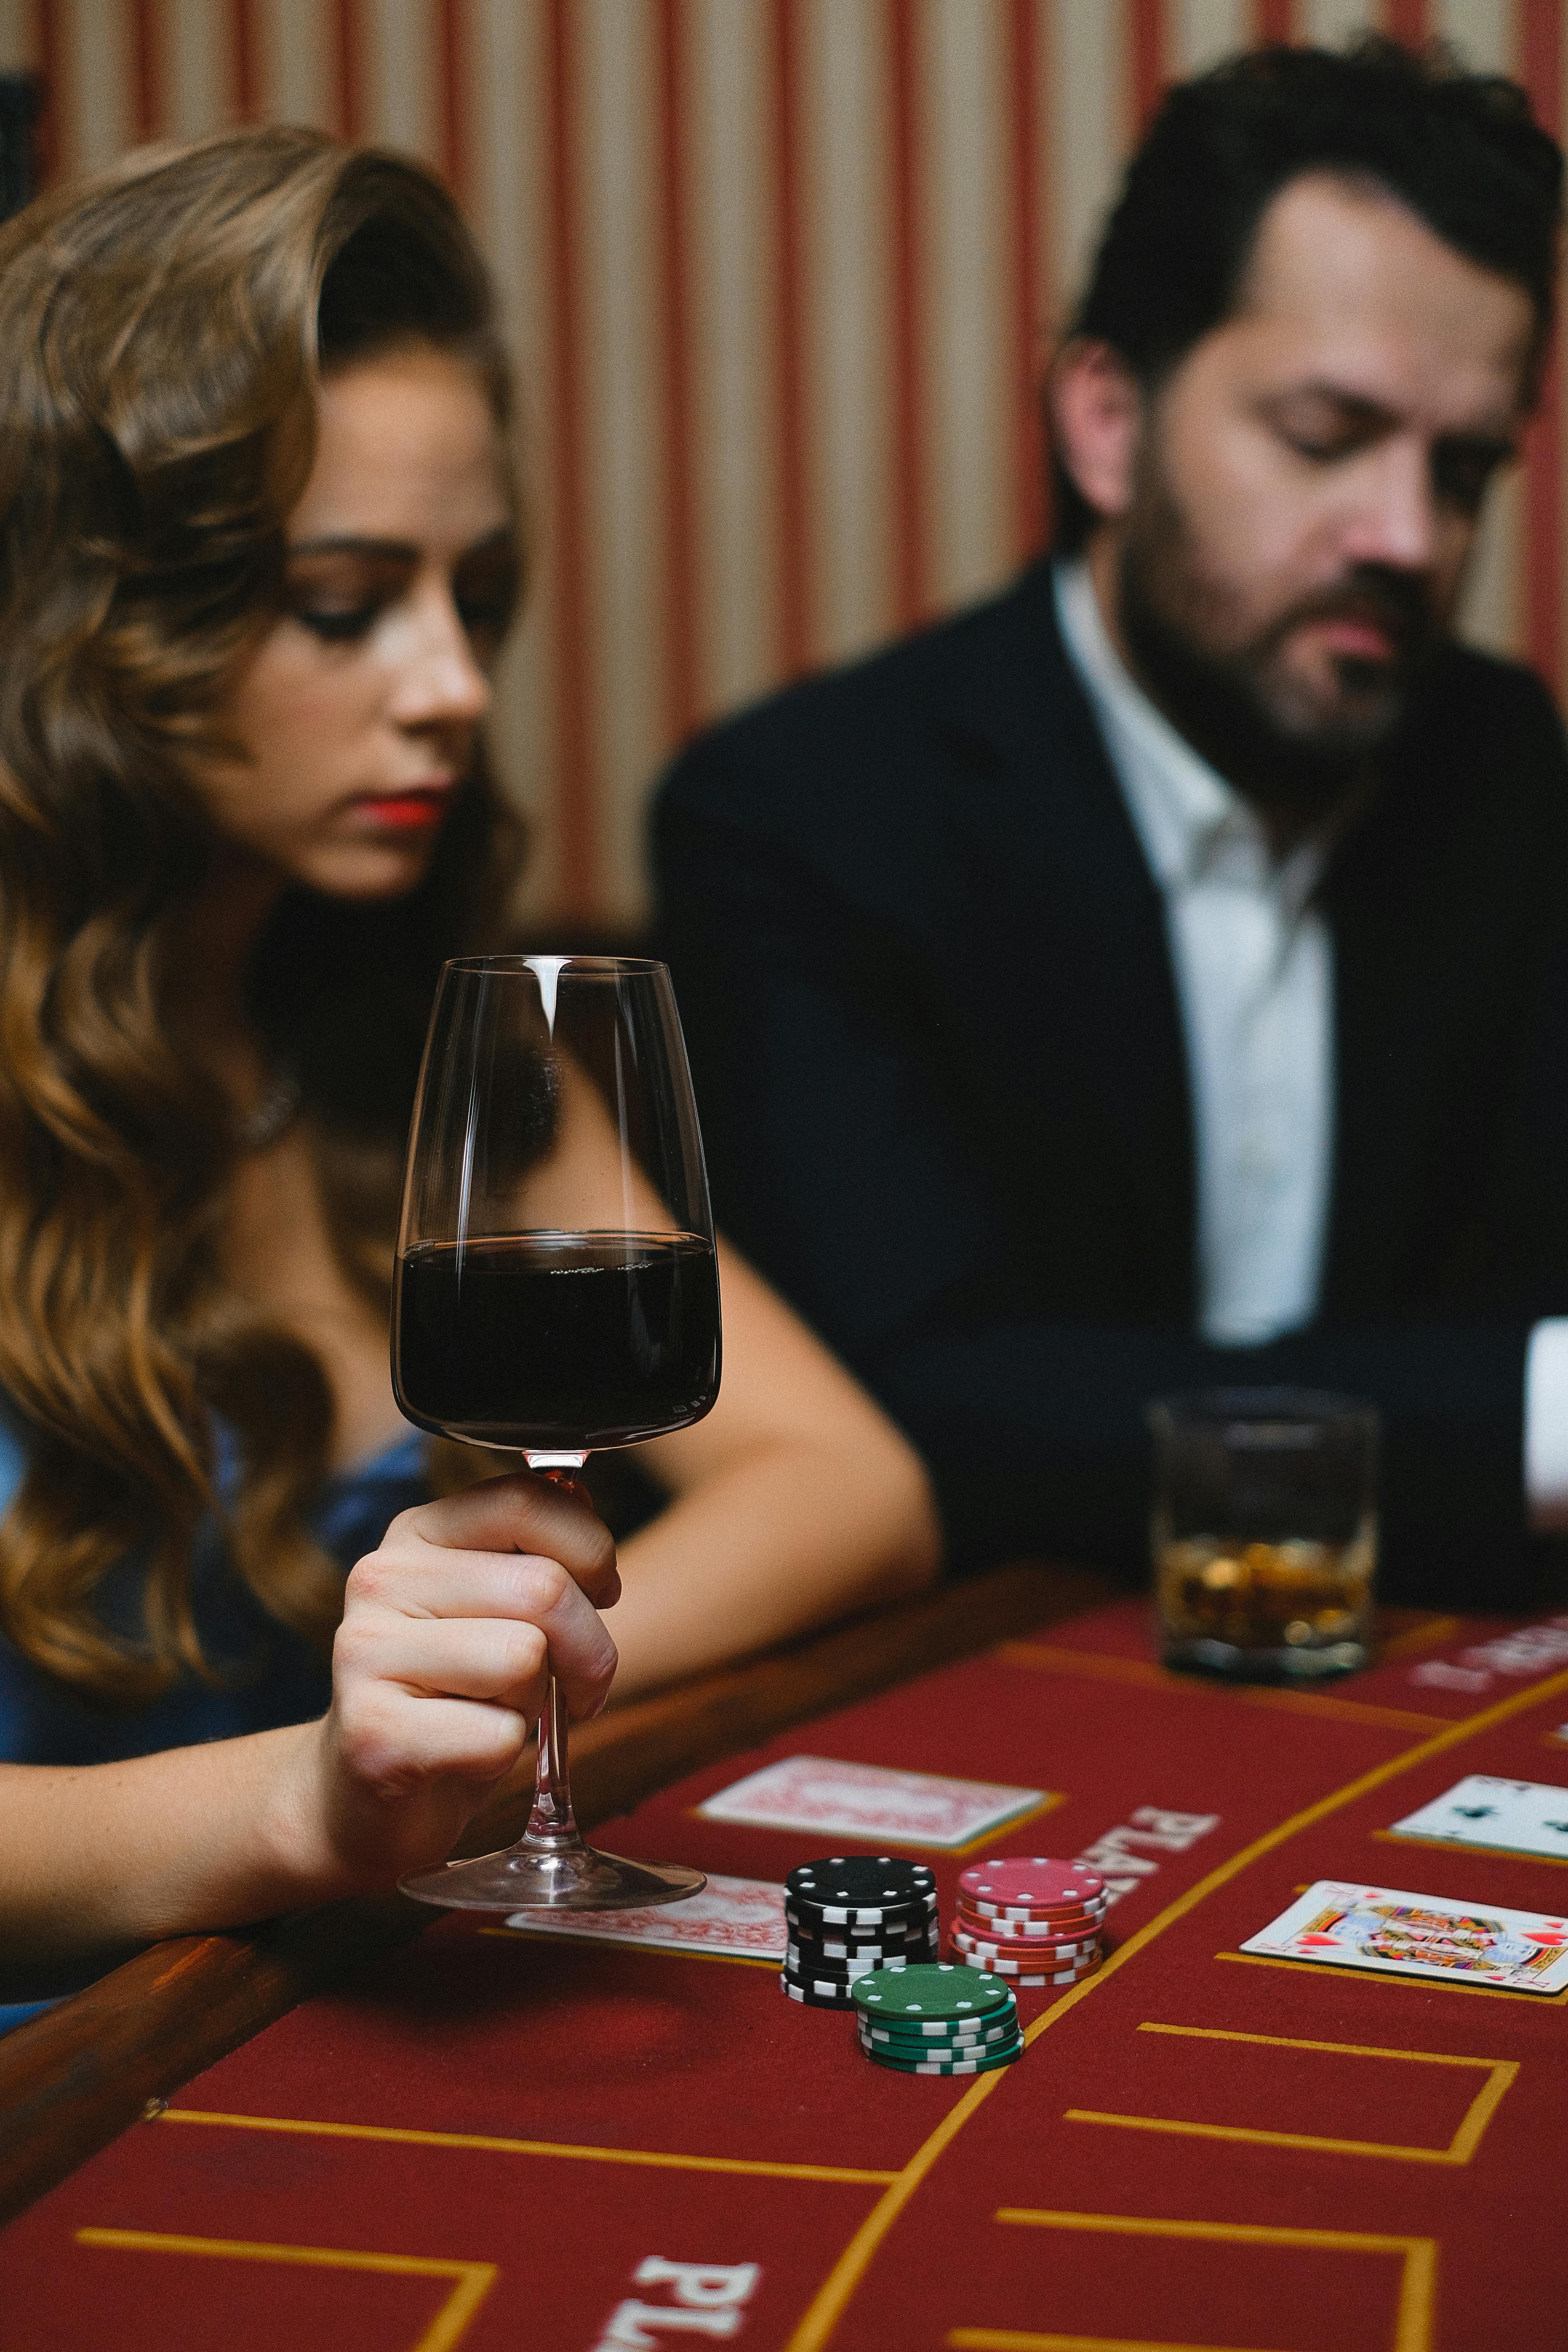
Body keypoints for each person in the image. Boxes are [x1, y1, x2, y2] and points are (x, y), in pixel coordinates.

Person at [0, 127, 939, 2009]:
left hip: (319, 2006)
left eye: (473, 593)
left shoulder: (392, 1031)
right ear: (103, 626)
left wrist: (481, 1702)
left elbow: (848, 1483)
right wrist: (309, 1797)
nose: (451, 683)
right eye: (345, 603)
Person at [653, 39, 1568, 1608]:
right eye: (1324, 436)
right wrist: (1527, 1416)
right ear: (1104, 419)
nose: (1408, 538)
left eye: (1463, 466)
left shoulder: (1495, 766)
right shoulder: (808, 813)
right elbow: (927, 1407)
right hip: (969, 1674)